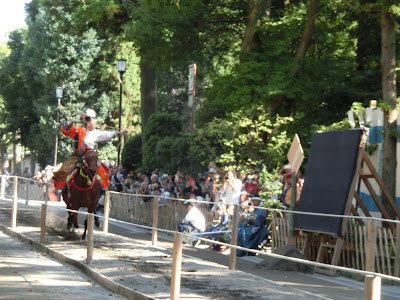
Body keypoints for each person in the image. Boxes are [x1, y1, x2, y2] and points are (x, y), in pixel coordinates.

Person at [53, 108, 126, 192]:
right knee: (67, 169)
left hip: (91, 157)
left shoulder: (96, 133)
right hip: (78, 156)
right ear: (87, 122)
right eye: (91, 120)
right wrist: (72, 121)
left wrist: (119, 133)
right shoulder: (78, 130)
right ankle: (65, 186)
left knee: (101, 171)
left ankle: (103, 188)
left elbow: (107, 134)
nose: (94, 123)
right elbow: (65, 129)